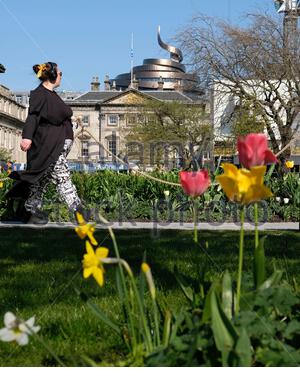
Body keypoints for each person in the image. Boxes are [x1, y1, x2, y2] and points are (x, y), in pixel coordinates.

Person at [7, 62, 85, 224]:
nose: (62, 76)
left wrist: (72, 120)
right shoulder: (40, 94)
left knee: (41, 180)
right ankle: (78, 211)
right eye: (61, 73)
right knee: (62, 176)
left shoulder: (52, 95)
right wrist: (27, 137)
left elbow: (54, 116)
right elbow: (33, 117)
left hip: (57, 145)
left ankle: (30, 211)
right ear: (53, 75)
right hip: (48, 147)